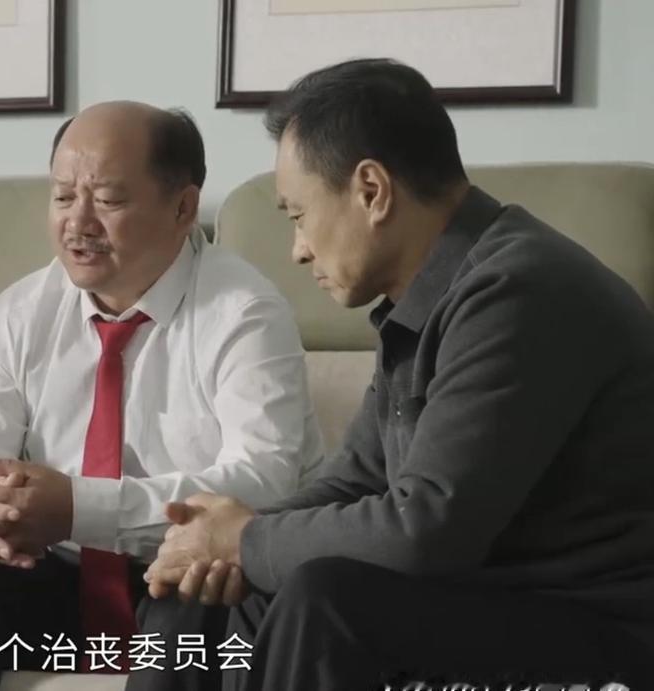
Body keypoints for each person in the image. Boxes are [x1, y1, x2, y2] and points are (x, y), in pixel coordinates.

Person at [133, 59, 654, 691]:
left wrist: (247, 541)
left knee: (326, 598)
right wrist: (216, 543)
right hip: (483, 601)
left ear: (372, 191)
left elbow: (427, 529)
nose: (297, 249)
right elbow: (356, 477)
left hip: (590, 627)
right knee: (195, 598)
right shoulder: (433, 297)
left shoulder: (519, 293)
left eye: (297, 215)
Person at [0, 101, 321, 691]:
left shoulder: (244, 312)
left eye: (108, 200)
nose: (78, 223)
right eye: (63, 197)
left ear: (183, 207)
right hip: (52, 582)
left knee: (197, 584)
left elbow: (265, 481)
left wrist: (76, 508)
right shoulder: (21, 311)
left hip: (172, 578)